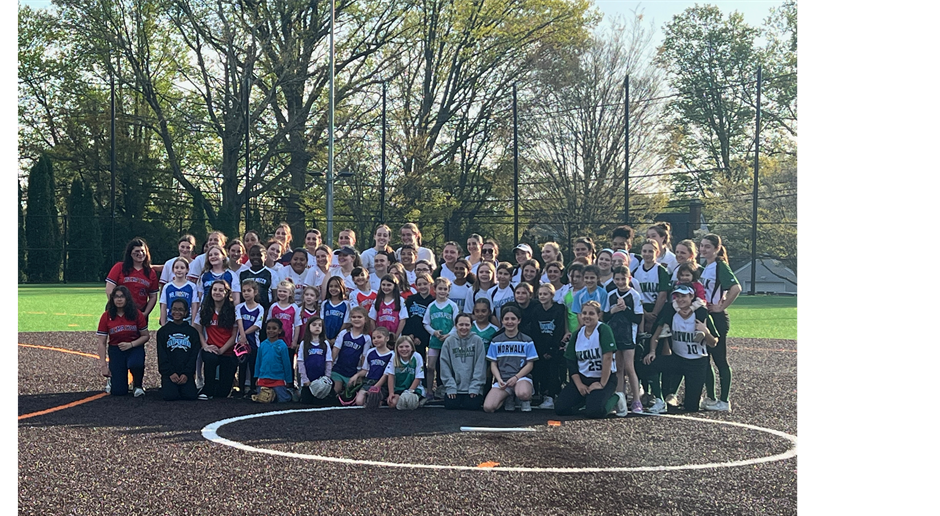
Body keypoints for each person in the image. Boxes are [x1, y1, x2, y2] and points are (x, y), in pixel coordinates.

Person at [641, 284, 720, 414]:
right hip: (678, 359)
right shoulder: (671, 313)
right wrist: (652, 352)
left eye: (683, 296)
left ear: (691, 296)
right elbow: (655, 336)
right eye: (677, 296)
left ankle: (694, 395)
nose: (680, 299)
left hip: (697, 363)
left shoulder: (701, 314)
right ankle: (660, 400)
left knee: (691, 408)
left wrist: (706, 332)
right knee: (648, 364)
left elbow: (714, 343)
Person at [698, 233, 742, 412]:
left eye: (707, 246)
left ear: (716, 249)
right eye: (701, 246)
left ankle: (724, 400)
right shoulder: (703, 266)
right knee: (705, 359)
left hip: (716, 318)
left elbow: (736, 287)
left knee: (720, 360)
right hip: (704, 316)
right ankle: (711, 397)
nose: (703, 249)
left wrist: (720, 306)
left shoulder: (719, 266)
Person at [554, 301, 619, 419]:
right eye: (584, 313)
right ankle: (586, 400)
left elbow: (607, 358)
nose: (587, 316)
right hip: (583, 378)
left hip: (604, 378)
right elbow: (571, 362)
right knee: (560, 408)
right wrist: (579, 385)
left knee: (595, 412)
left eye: (591, 313)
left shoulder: (603, 330)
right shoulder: (577, 334)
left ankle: (616, 398)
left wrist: (601, 383)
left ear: (598, 315)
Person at [605, 266, 645, 415]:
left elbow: (638, 317)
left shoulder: (634, 295)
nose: (620, 282)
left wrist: (625, 309)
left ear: (629, 279)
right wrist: (613, 310)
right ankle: (620, 399)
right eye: (617, 279)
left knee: (630, 367)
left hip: (628, 335)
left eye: (623, 279)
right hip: (615, 335)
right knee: (618, 369)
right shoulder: (611, 295)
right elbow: (606, 316)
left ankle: (636, 400)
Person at [97, 286, 150, 397]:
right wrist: (103, 366)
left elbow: (145, 336)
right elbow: (101, 342)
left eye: (122, 297)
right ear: (112, 299)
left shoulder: (136, 314)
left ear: (127, 299)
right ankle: (113, 381)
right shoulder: (106, 316)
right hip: (116, 349)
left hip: (134, 347)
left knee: (136, 364)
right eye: (116, 297)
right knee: (119, 392)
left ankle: (137, 385)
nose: (119, 299)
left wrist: (131, 344)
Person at [483, 306, 538, 412]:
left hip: (521, 378)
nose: (510, 322)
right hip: (503, 380)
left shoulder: (526, 340)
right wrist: (498, 379)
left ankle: (523, 399)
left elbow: (530, 364)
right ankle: (508, 396)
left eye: (513, 319)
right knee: (488, 407)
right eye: (506, 319)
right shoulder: (496, 340)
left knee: (523, 393)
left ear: (519, 320)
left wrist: (516, 378)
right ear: (502, 321)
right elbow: (493, 364)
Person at [193, 280, 237, 400]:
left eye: (220, 290)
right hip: (211, 349)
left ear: (226, 293)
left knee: (222, 393)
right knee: (209, 358)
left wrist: (222, 350)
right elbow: (198, 330)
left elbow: (234, 335)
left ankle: (225, 384)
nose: (217, 292)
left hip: (227, 351)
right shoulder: (205, 309)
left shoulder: (233, 310)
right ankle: (208, 388)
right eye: (214, 289)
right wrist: (205, 346)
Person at [530, 283, 569, 410]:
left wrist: (553, 349)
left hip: (555, 347)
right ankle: (542, 394)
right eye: (540, 294)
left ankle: (553, 395)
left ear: (552, 295)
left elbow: (559, 329)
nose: (542, 296)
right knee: (541, 370)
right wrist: (543, 351)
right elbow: (535, 331)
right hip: (541, 348)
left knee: (555, 371)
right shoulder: (536, 310)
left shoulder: (559, 309)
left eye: (545, 294)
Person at [439, 313, 487, 410]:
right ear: (456, 325)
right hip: (454, 388)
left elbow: (480, 366)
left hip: (472, 388)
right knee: (451, 406)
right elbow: (444, 365)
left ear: (471, 325)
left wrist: (475, 387)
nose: (464, 327)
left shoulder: (478, 341)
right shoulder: (448, 341)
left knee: (472, 406)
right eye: (461, 325)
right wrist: (450, 386)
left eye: (467, 325)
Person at [157, 298, 201, 401]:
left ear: (186, 312)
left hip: (185, 374)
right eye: (174, 309)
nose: (177, 312)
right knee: (170, 396)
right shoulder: (163, 332)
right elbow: (162, 355)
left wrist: (187, 373)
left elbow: (193, 356)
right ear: (170, 311)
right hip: (170, 374)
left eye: (181, 310)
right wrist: (170, 373)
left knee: (190, 396)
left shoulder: (192, 332)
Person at [106, 237, 159, 319]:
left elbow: (153, 296)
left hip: (139, 312)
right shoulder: (119, 267)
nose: (140, 253)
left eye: (142, 251)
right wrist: (117, 306)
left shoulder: (150, 272)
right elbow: (109, 289)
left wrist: (145, 313)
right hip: (119, 311)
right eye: (137, 251)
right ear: (130, 253)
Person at [423, 277, 459, 397]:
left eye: (445, 289)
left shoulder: (452, 306)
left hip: (449, 341)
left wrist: (449, 334)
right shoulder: (431, 306)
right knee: (430, 367)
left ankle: (450, 389)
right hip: (434, 341)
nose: (442, 291)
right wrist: (434, 332)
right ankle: (429, 390)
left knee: (449, 366)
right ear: (435, 290)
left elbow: (457, 324)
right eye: (440, 289)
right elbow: (426, 323)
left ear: (448, 290)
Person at [330, 307, 374, 400]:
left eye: (359, 317)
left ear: (365, 319)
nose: (356, 319)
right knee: (335, 390)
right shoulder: (344, 333)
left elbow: (364, 357)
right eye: (353, 317)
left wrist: (361, 374)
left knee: (349, 395)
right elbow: (335, 350)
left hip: (353, 372)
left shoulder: (366, 338)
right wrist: (329, 367)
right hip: (338, 370)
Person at [235, 280, 266, 397]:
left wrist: (245, 335)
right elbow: (239, 322)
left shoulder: (260, 308)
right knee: (242, 366)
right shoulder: (239, 307)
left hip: (253, 343)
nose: (246, 293)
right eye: (244, 291)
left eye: (249, 290)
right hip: (241, 343)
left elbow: (257, 325)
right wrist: (242, 337)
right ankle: (241, 389)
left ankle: (253, 388)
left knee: (253, 366)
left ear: (255, 292)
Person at [252, 319, 293, 403]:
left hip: (278, 378)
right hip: (263, 378)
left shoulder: (282, 345)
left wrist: (288, 380)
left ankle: (291, 392)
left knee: (283, 400)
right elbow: (258, 362)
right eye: (268, 328)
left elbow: (286, 364)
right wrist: (257, 377)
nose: (271, 330)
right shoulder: (262, 345)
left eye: (274, 328)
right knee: (262, 399)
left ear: (279, 331)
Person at [352, 327, 395, 407]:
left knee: (373, 402)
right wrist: (356, 375)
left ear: (387, 338)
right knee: (359, 402)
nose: (376, 340)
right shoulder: (370, 352)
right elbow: (365, 370)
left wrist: (375, 387)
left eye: (379, 337)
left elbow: (386, 375)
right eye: (374, 338)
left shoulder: (392, 355)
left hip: (382, 383)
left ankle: (382, 399)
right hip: (369, 381)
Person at [297, 317, 334, 405]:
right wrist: (305, 379)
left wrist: (327, 377)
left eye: (319, 325)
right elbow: (300, 362)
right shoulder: (304, 343)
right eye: (314, 325)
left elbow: (328, 361)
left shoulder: (325, 343)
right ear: (308, 327)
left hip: (321, 381)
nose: (317, 327)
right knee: (306, 402)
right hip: (308, 381)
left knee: (320, 403)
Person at [385, 335, 427, 409]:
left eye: (407, 346)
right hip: (399, 388)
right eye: (401, 347)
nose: (404, 349)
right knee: (392, 403)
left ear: (412, 348)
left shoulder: (417, 357)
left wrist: (409, 392)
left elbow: (418, 377)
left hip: (413, 389)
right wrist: (391, 393)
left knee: (408, 403)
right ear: (397, 348)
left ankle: (420, 398)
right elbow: (390, 375)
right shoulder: (394, 357)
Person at [159, 256, 198, 326]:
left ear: (187, 270)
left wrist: (193, 324)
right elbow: (163, 306)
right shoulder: (167, 286)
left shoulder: (192, 286)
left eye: (182, 268)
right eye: (176, 267)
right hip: (170, 320)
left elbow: (194, 306)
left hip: (187, 321)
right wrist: (163, 324)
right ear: (173, 270)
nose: (179, 270)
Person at [402, 272, 433, 356]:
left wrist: (420, 337)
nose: (422, 286)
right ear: (416, 286)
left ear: (430, 284)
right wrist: (410, 334)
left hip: (424, 337)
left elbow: (430, 322)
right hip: (410, 335)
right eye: (419, 284)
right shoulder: (410, 299)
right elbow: (406, 318)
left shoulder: (433, 301)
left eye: (425, 284)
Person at [369, 274, 408, 340]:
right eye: (383, 285)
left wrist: (396, 336)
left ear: (394, 286)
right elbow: (372, 319)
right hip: (380, 337)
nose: (386, 287)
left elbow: (403, 320)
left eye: (389, 285)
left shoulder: (400, 300)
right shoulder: (377, 300)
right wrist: (375, 335)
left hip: (395, 336)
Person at [238, 244, 275, 312]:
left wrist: (267, 312)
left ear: (265, 257)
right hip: (246, 311)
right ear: (249, 257)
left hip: (265, 310)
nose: (255, 257)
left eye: (259, 255)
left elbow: (275, 297)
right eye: (252, 255)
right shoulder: (243, 274)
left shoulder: (271, 273)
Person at [321, 276, 351, 344]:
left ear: (341, 287)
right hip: (325, 338)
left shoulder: (346, 304)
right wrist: (325, 337)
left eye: (336, 286)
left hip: (340, 338)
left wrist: (336, 338)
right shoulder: (325, 303)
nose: (333, 288)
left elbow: (346, 323)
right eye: (331, 286)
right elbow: (321, 321)